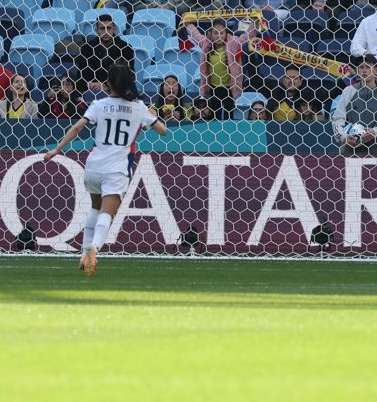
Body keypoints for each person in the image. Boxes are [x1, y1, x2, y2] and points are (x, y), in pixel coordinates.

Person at [42, 63, 168, 275]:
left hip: (94, 165)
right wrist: (151, 113)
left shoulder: (99, 104)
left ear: (108, 83)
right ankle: (94, 248)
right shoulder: (139, 107)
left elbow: (77, 127)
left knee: (94, 207)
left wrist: (56, 150)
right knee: (107, 213)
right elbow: (162, 131)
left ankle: (83, 253)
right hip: (117, 168)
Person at [183, 17, 257, 118]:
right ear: (210, 34)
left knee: (228, 114)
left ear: (226, 33)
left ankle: (229, 131)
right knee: (215, 114)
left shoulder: (234, 43)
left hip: (229, 88)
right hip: (214, 87)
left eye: (221, 33)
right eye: (215, 33)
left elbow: (247, 36)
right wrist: (187, 24)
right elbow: (196, 35)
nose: (218, 36)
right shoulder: (206, 44)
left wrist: (255, 23)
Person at [331, 55, 377, 155]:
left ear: (376, 70)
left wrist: (375, 131)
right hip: (349, 149)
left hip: (375, 151)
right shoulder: (349, 91)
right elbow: (337, 118)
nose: (364, 70)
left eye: (368, 67)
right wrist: (344, 137)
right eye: (361, 67)